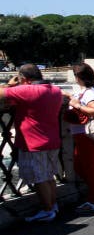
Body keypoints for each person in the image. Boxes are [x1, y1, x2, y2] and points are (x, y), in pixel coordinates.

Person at [0, 64, 64, 222]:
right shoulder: (55, 90)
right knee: (49, 176)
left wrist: (9, 85)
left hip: (33, 142)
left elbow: (1, 94)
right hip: (52, 140)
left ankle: (47, 210)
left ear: (24, 79)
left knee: (39, 178)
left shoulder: (27, 91)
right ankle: (53, 205)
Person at [63, 62, 94, 212]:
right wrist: (68, 95)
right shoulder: (86, 91)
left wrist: (77, 105)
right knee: (80, 167)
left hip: (87, 135)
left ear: (78, 76)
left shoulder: (91, 93)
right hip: (81, 135)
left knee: (89, 169)